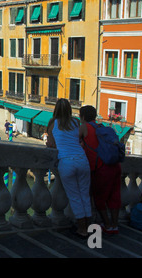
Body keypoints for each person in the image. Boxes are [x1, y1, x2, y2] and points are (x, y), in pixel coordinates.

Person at [46, 99, 91, 238]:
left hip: (66, 162)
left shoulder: (53, 123)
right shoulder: (76, 122)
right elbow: (78, 140)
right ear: (70, 109)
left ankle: (82, 229)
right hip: (82, 160)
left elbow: (51, 144)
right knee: (85, 195)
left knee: (75, 197)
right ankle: (89, 228)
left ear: (56, 109)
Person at [79, 105, 122, 234]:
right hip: (115, 165)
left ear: (83, 117)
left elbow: (73, 141)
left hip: (101, 168)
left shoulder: (84, 127)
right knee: (114, 196)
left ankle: (107, 225)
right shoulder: (101, 127)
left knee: (99, 198)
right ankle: (115, 225)